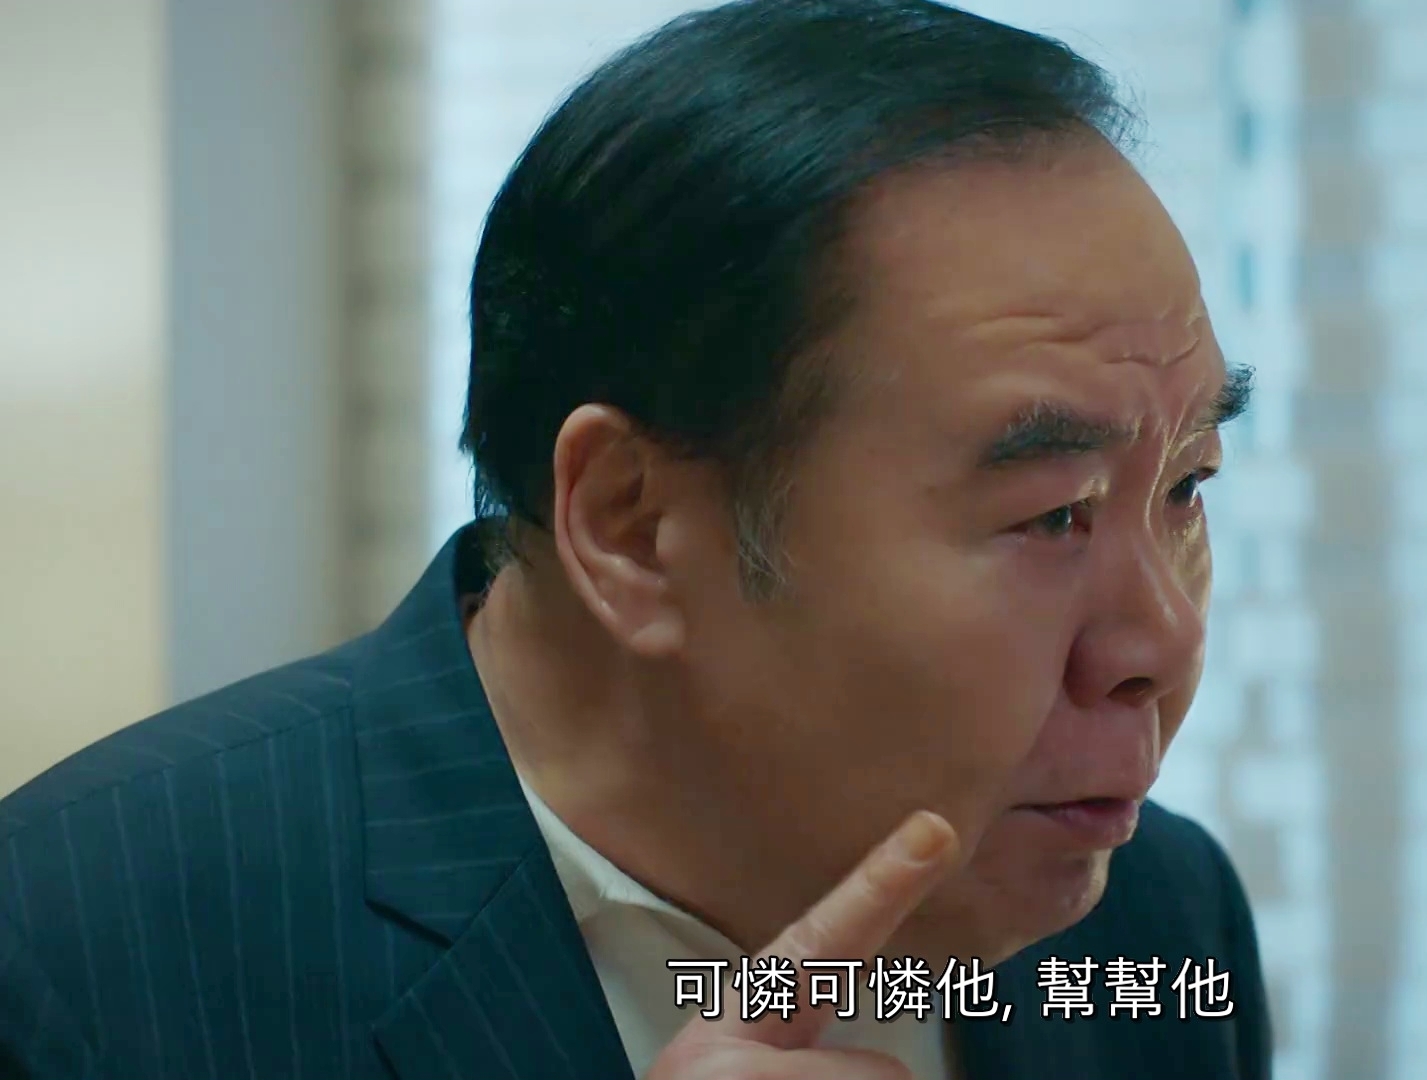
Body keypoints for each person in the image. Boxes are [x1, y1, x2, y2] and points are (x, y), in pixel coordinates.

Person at [0, 1, 1271, 1077]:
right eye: (1052, 514)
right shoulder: (77, 951)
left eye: (1186, 488)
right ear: (632, 526)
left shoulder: (1153, 923)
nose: (1161, 643)